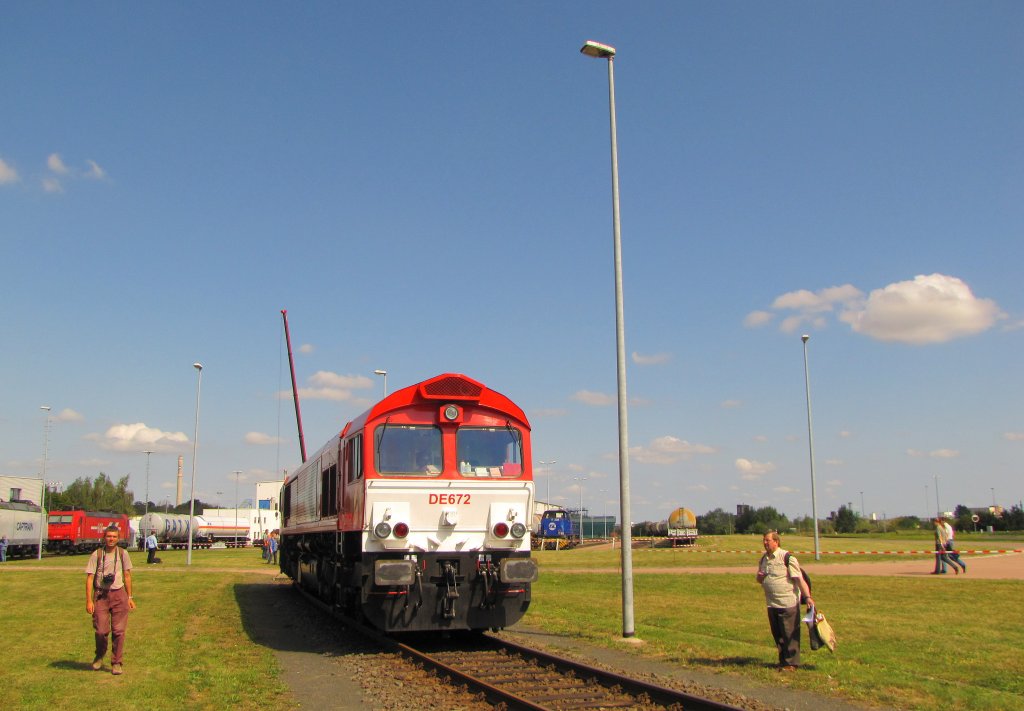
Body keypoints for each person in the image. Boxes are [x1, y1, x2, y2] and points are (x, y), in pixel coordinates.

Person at [756, 531, 813, 670]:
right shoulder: (764, 559)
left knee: (789, 634)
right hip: (772, 603)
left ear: (776, 542)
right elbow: (759, 579)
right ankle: (783, 661)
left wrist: (808, 598)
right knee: (779, 635)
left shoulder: (787, 558)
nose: (765, 543)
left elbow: (799, 579)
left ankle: (791, 663)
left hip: (788, 602)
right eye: (764, 540)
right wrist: (760, 577)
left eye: (767, 540)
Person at [85, 525, 136, 675]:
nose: (111, 539)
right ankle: (99, 655)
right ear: (104, 537)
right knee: (101, 630)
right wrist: (89, 601)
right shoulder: (97, 554)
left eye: (114, 536)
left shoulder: (123, 554)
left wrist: (130, 597)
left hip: (119, 595)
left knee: (119, 631)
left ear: (118, 538)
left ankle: (117, 662)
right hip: (101, 595)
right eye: (108, 536)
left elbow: (127, 575)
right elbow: (89, 578)